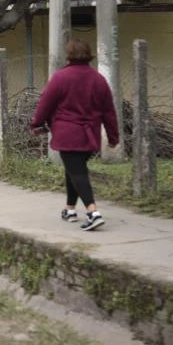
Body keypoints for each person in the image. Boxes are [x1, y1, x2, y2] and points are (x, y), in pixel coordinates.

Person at [29, 39, 119, 231]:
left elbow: (45, 104)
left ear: (68, 55)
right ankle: (70, 209)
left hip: (67, 134)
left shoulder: (61, 78)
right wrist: (113, 137)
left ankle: (93, 212)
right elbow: (109, 112)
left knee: (77, 172)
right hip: (89, 136)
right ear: (89, 55)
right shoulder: (98, 79)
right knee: (73, 170)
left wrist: (36, 124)